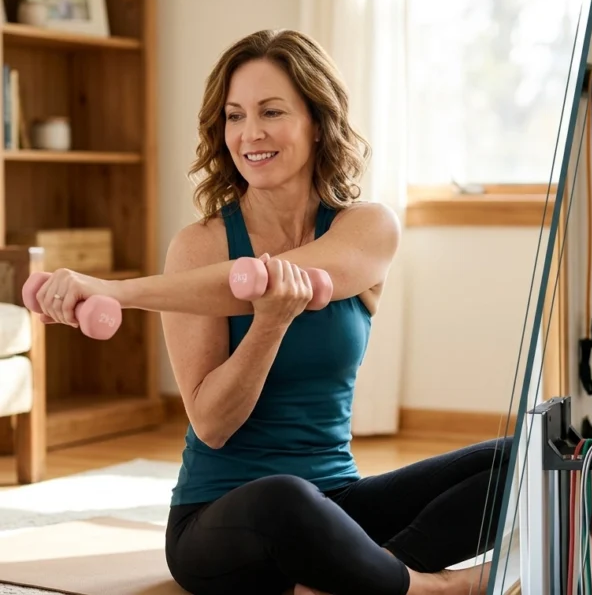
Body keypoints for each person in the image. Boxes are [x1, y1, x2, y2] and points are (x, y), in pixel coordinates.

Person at [29, 29, 513, 595]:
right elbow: (212, 426)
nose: (249, 133)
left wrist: (116, 291)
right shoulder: (200, 246)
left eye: (272, 111)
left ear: (318, 122)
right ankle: (438, 589)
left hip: (337, 506)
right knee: (286, 496)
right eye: (235, 116)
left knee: (521, 457)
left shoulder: (366, 227)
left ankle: (360, 574)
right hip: (223, 519)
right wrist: (269, 325)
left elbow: (267, 279)